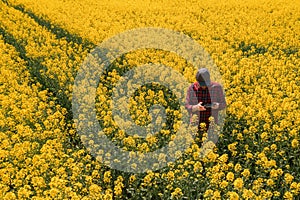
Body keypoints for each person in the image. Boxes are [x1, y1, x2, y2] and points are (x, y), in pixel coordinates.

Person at [185, 68, 226, 133]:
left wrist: (217, 106)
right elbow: (187, 106)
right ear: (197, 81)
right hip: (195, 126)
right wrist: (196, 107)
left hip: (212, 126)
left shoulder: (216, 87)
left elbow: (223, 104)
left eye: (205, 83)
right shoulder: (192, 89)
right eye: (202, 84)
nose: (204, 86)